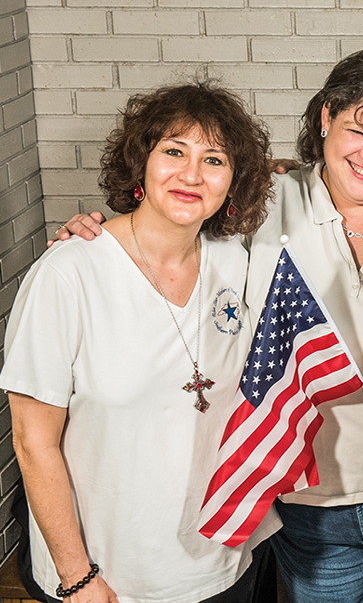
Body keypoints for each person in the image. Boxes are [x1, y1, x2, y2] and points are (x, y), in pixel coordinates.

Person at [52, 48, 363, 603]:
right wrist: (98, 231)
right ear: (324, 119)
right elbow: (171, 226)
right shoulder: (262, 205)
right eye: (357, 130)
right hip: (312, 507)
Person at [1, 82, 275, 602]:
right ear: (140, 164)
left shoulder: (236, 262)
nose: (191, 175)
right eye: (174, 151)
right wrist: (78, 577)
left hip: (221, 560)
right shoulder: (69, 273)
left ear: (232, 181)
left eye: (214, 160)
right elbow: (32, 443)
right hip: (108, 574)